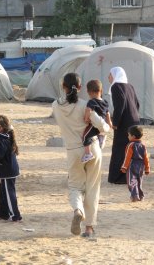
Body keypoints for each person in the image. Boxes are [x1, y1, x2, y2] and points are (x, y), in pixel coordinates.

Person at [52, 73, 110, 237]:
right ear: (79, 87)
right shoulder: (86, 105)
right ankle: (89, 227)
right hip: (92, 147)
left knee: (75, 186)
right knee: (92, 187)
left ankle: (78, 209)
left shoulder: (55, 106)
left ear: (63, 86)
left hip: (72, 150)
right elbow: (103, 127)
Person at [108, 67, 140, 184]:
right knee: (131, 149)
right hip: (134, 121)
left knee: (120, 149)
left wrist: (115, 123)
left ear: (115, 75)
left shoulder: (116, 87)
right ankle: (132, 176)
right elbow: (137, 104)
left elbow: (119, 106)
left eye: (110, 75)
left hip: (124, 124)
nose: (108, 78)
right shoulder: (130, 86)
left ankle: (119, 178)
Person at [81, 79, 112, 163]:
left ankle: (88, 153)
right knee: (97, 133)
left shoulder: (92, 102)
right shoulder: (105, 102)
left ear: (88, 92)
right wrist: (109, 123)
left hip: (94, 125)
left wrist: (86, 119)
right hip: (102, 124)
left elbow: (88, 110)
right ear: (101, 91)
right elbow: (108, 113)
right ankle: (101, 138)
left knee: (85, 136)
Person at [120, 125, 150, 202]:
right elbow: (146, 158)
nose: (128, 136)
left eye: (129, 135)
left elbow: (127, 157)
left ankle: (135, 196)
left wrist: (124, 167)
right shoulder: (143, 145)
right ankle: (141, 196)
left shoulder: (130, 145)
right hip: (141, 165)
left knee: (131, 182)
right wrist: (147, 168)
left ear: (133, 136)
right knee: (139, 181)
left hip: (132, 165)